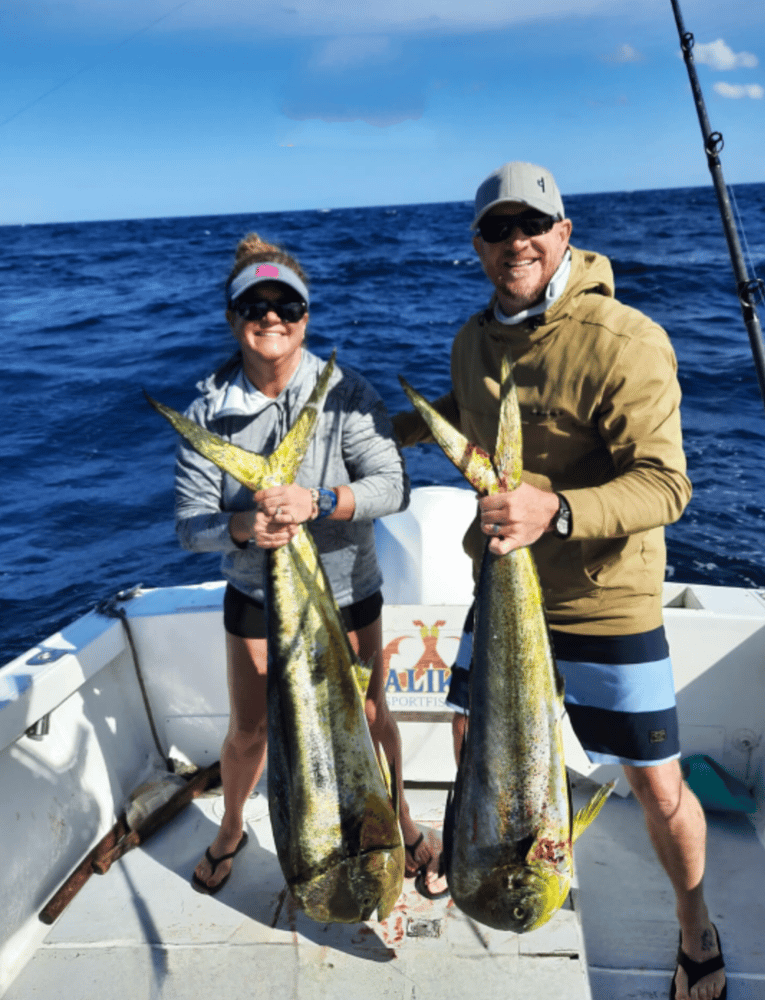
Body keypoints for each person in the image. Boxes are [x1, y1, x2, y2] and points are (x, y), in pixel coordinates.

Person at [393, 163, 726, 1000]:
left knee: (655, 783)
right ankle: (472, 857)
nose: (517, 243)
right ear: (476, 246)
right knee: (473, 752)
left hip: (601, 598)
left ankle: (695, 926)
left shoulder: (626, 339)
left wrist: (559, 509)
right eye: (498, 230)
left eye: (533, 225)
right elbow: (466, 414)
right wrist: (369, 424)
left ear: (564, 233)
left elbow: (666, 484)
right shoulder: (473, 340)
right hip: (501, 589)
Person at [175, 233, 441, 897]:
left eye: (285, 305)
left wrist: (319, 499)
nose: (271, 317)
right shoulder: (207, 412)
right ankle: (233, 827)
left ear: (305, 317)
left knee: (371, 714)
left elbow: (392, 484)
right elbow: (190, 529)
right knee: (250, 730)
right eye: (254, 305)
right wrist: (243, 524)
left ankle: (401, 824)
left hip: (349, 590)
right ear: (232, 318)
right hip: (257, 599)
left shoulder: (347, 392)